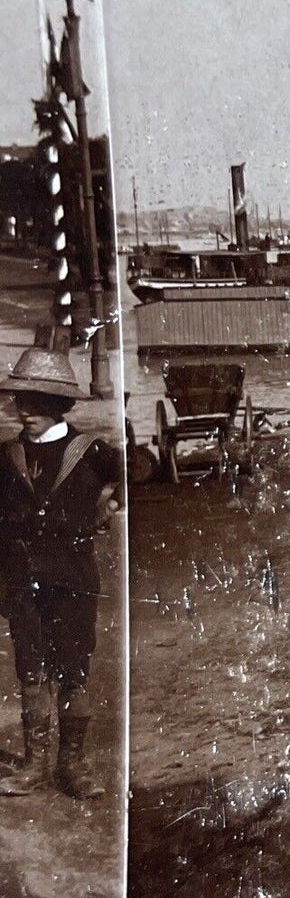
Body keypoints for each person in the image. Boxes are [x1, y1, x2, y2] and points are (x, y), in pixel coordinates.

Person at [0, 343, 124, 800]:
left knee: (74, 670)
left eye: (35, 403)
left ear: (58, 405)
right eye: (20, 401)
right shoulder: (5, 455)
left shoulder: (93, 453)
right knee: (30, 670)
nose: (24, 411)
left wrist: (107, 506)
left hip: (73, 580)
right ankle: (34, 766)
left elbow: (132, 475)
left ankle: (72, 765)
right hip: (22, 583)